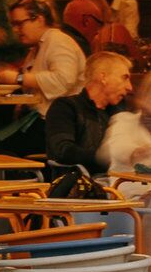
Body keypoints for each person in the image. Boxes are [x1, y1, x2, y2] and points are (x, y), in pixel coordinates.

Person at [40, 51, 139, 192]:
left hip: (121, 182)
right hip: (81, 187)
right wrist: (107, 158)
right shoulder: (66, 107)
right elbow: (62, 151)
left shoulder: (121, 112)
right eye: (124, 78)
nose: (130, 87)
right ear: (103, 77)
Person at [9, 0, 87, 101]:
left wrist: (18, 78)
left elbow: (63, 80)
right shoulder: (37, 47)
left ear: (40, 20)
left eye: (19, 24)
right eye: (13, 25)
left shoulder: (59, 41)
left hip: (63, 114)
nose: (15, 30)